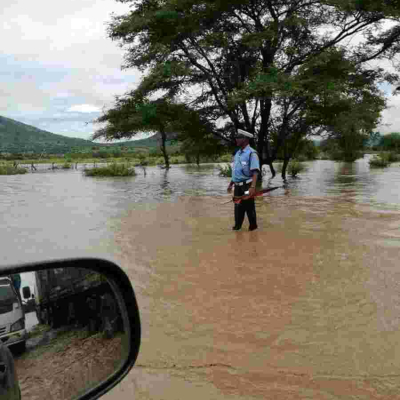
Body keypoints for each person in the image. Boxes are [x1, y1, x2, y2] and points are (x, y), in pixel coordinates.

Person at [227, 129, 260, 231]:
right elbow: (235, 171)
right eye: (236, 137)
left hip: (247, 186)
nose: (236, 139)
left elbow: (255, 172)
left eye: (238, 137)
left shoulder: (252, 153)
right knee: (237, 207)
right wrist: (231, 184)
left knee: (249, 207)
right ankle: (237, 227)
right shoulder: (238, 153)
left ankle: (253, 228)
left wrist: (252, 187)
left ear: (245, 139)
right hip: (237, 186)